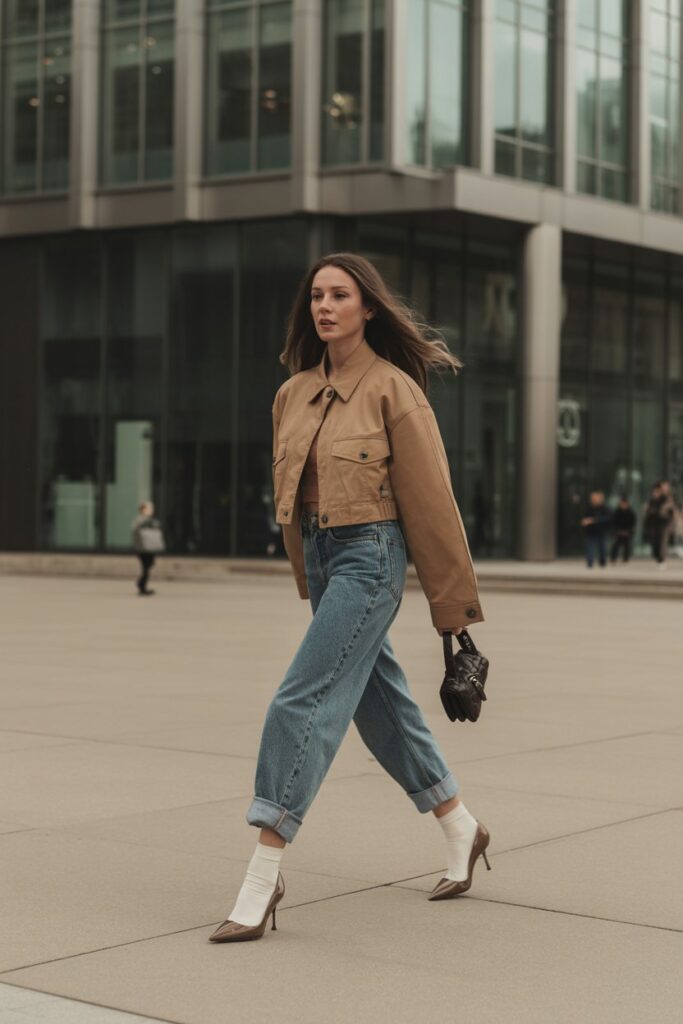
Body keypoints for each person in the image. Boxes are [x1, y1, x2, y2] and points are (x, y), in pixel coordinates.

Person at [210, 253, 488, 944]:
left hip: (372, 559)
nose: (325, 307)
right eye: (316, 297)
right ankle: (459, 825)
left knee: (299, 698)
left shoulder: (395, 390)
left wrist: (452, 618)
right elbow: (294, 501)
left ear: (368, 308)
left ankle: (263, 870)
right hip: (327, 560)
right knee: (378, 702)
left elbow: (431, 506)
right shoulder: (291, 393)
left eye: (340, 295)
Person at [131, 501, 162, 595]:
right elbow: (136, 530)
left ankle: (141, 585)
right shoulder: (139, 520)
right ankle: (142, 586)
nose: (151, 510)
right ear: (143, 510)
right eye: (149, 508)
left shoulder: (150, 520)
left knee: (149, 565)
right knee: (146, 567)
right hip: (142, 548)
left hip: (149, 547)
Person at [644, 482, 675, 566]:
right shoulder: (652, 500)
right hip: (654, 524)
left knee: (662, 541)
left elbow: (671, 512)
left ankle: (662, 559)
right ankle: (657, 557)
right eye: (655, 491)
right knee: (655, 541)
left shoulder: (666, 499)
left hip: (664, 523)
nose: (656, 493)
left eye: (658, 491)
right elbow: (648, 512)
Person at [580, 491, 610, 568]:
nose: (594, 500)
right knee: (590, 547)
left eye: (595, 498)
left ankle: (602, 563)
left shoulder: (604, 508)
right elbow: (584, 518)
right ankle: (590, 563)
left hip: (601, 531)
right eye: (593, 498)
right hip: (591, 531)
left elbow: (607, 519)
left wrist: (594, 520)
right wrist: (585, 522)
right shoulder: (588, 508)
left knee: (602, 548)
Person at [610, 496, 636, 564]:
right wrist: (617, 531)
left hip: (627, 532)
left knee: (627, 546)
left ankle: (625, 559)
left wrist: (628, 531)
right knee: (616, 545)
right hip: (618, 532)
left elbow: (632, 523)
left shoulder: (630, 513)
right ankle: (613, 558)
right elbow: (614, 522)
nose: (623, 505)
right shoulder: (617, 512)